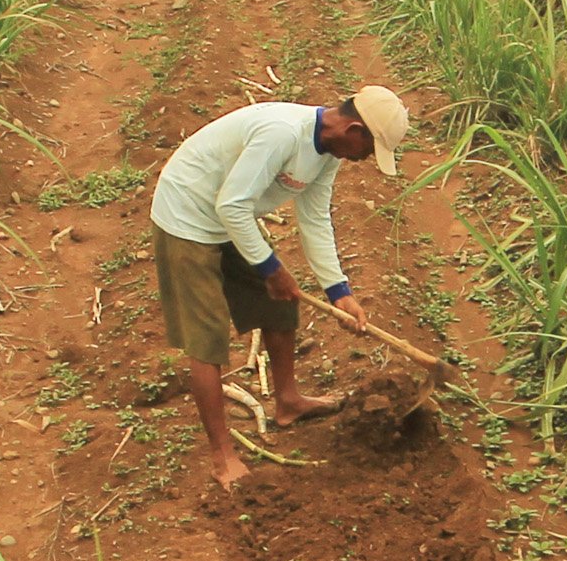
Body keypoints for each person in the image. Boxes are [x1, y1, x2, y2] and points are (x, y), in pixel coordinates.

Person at [145, 84, 411, 487]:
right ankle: (222, 456)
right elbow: (231, 204)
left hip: (229, 216)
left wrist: (340, 293)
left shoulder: (328, 154)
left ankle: (287, 402)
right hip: (188, 215)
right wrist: (270, 267)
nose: (365, 160)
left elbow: (316, 218)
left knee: (280, 305)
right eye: (369, 149)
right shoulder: (282, 133)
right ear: (354, 129)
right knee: (207, 337)